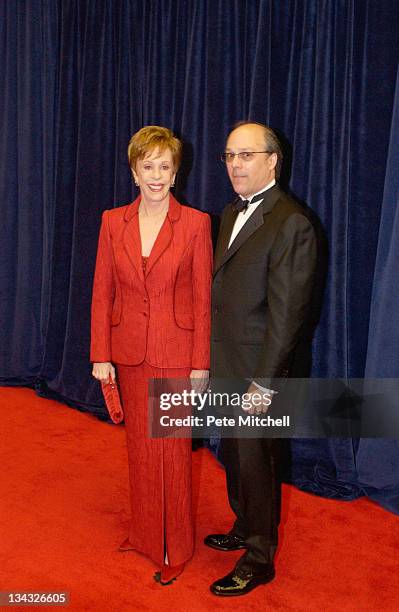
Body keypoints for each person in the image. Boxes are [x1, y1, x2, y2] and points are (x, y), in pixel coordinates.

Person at [90, 126, 212, 585]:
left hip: (177, 355)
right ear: (134, 171)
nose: (157, 175)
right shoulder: (110, 221)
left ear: (176, 173)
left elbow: (202, 300)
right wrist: (101, 353)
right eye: (148, 166)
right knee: (140, 452)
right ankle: (145, 536)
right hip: (129, 354)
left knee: (174, 456)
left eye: (166, 166)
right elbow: (102, 293)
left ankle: (175, 547)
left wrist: (201, 362)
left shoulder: (196, 223)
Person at [205, 121, 317, 596]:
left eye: (246, 155)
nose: (235, 164)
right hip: (227, 363)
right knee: (234, 455)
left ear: (273, 160)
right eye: (230, 155)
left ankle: (259, 558)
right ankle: (242, 523)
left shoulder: (292, 222)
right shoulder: (232, 212)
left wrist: (265, 384)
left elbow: (288, 316)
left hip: (259, 376)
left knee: (257, 463)